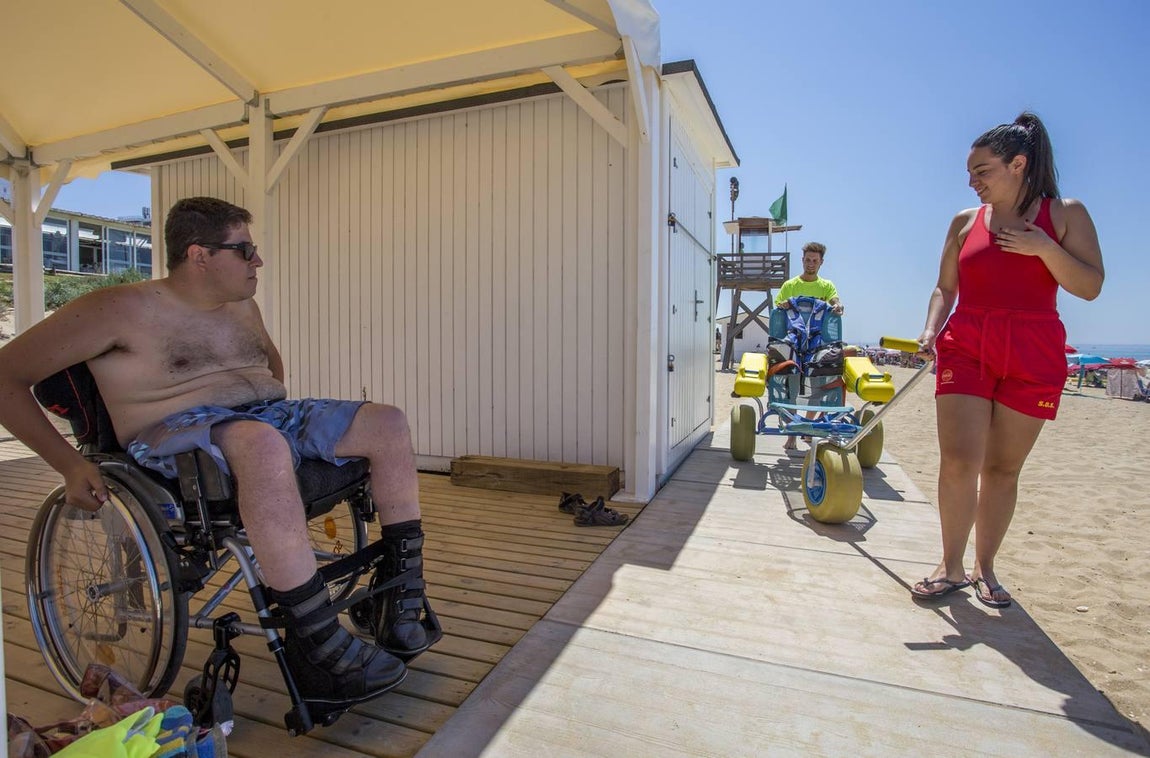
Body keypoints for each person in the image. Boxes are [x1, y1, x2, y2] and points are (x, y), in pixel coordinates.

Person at [0, 197, 439, 707]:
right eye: (245, 250)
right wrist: (69, 465)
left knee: (386, 422)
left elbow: (271, 370)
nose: (258, 261)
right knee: (260, 443)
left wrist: (268, 408)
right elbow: (6, 376)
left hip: (264, 417)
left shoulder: (242, 304)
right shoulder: (114, 309)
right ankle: (316, 645)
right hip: (173, 433)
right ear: (199, 255)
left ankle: (400, 597)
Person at [911, 112, 1103, 608]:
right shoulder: (964, 222)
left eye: (982, 171)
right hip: (967, 344)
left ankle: (985, 567)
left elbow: (1090, 286)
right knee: (959, 461)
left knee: (1001, 470)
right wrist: (931, 328)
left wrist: (1043, 248)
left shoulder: (1065, 214)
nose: (972, 182)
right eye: (970, 172)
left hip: (1034, 350)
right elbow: (945, 287)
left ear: (1018, 164)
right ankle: (950, 566)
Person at [773, 242, 845, 451]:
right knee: (793, 385)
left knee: (817, 386)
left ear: (821, 262)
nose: (810, 264)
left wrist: (838, 305)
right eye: (807, 260)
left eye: (815, 260)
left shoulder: (826, 286)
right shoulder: (790, 285)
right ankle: (793, 434)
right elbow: (778, 310)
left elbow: (835, 300)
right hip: (795, 342)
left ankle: (806, 427)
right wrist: (783, 305)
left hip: (818, 345)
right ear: (802, 260)